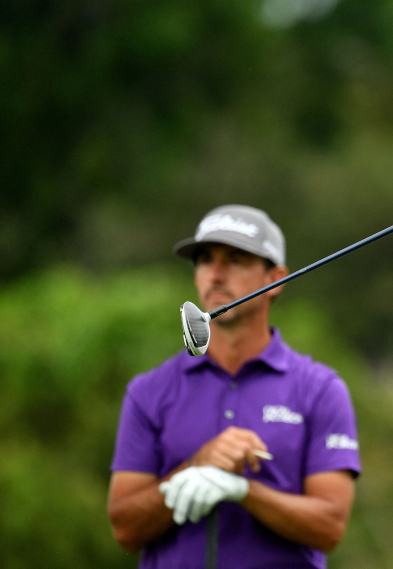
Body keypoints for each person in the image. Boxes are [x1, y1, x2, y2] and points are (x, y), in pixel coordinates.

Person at [107, 205, 361, 569]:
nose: (216, 273)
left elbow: (330, 527)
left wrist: (243, 491)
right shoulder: (149, 390)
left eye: (236, 259)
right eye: (205, 259)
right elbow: (125, 528)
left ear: (276, 278)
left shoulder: (320, 389)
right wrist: (196, 466)